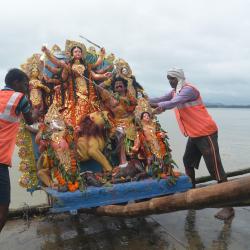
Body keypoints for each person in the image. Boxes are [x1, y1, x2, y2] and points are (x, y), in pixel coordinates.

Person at [150, 67, 234, 220]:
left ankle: (228, 207)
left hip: (206, 132)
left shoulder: (189, 90)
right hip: (194, 134)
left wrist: (160, 107)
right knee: (187, 161)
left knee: (215, 168)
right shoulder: (175, 91)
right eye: (168, 79)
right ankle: (192, 194)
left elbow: (173, 102)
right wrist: (142, 101)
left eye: (173, 79)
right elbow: (161, 99)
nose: (170, 82)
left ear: (180, 78)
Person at [0, 68, 40, 232]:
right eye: (25, 84)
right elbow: (30, 120)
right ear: (16, 83)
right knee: (3, 208)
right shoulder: (19, 97)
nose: (27, 87)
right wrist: (37, 110)